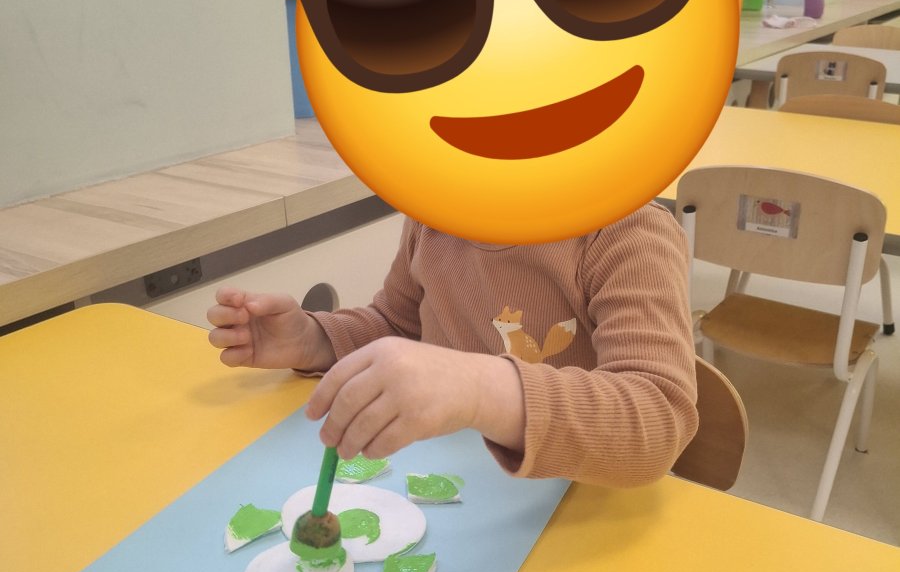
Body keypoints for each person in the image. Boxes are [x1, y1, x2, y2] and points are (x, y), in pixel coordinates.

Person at [206, 201, 698, 487]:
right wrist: (314, 339)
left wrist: (478, 389)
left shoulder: (628, 231)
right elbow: (395, 324)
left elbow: (657, 416)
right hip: (450, 493)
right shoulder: (435, 216)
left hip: (575, 508)